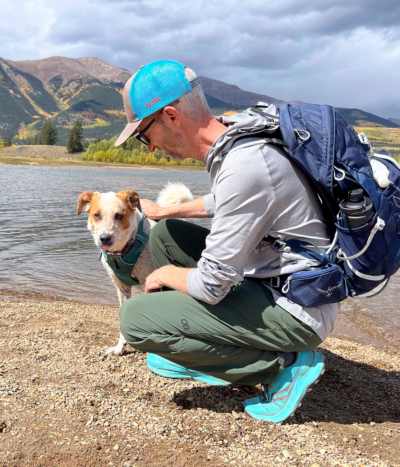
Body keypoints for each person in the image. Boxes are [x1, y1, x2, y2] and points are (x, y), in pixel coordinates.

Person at [114, 60, 339, 423]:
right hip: (279, 278)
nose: (151, 148)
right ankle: (203, 352)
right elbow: (228, 202)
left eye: (144, 134)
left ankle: (282, 367)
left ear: (171, 116)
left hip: (296, 308)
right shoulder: (238, 136)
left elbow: (212, 285)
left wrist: (167, 275)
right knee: (167, 237)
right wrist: (170, 213)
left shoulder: (245, 165)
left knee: (135, 320)